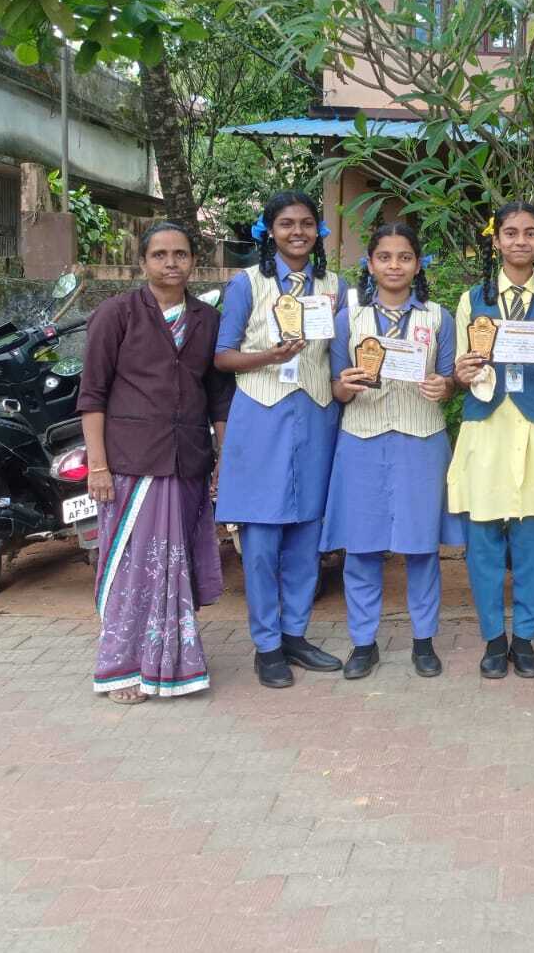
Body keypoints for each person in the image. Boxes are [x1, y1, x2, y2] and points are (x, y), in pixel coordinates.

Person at [80, 222, 232, 702]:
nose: (171, 263)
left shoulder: (207, 319)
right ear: (143, 261)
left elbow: (218, 397)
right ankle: (124, 668)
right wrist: (98, 466)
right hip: (131, 462)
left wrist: (223, 457)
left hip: (187, 461)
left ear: (194, 261)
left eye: (180, 254)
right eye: (160, 254)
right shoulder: (117, 314)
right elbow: (92, 394)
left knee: (174, 566)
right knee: (134, 568)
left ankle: (172, 661)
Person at [214, 191, 344, 688]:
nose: (297, 232)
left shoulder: (335, 285)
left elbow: (338, 354)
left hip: (315, 413)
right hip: (261, 415)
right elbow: (222, 355)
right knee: (262, 539)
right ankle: (267, 645)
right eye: (287, 224)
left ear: (318, 231)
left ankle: (295, 635)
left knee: (307, 534)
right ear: (269, 231)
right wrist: (269, 356)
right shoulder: (246, 284)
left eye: (307, 223)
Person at [322, 223, 461, 681]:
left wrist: (444, 386)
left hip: (421, 439)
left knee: (421, 547)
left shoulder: (437, 318)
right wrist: (345, 385)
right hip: (362, 439)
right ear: (370, 264)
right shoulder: (349, 318)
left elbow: (450, 381)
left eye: (404, 257)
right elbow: (336, 387)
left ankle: (424, 641)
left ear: (418, 265)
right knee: (362, 548)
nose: (394, 266)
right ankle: (364, 643)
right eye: (384, 257)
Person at [448, 202, 534, 680]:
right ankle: (492, 638)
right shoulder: (472, 300)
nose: (521, 241)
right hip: (487, 427)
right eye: (511, 232)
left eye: (530, 233)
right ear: (496, 239)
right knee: (482, 538)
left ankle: (524, 637)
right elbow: (460, 372)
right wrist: (461, 372)